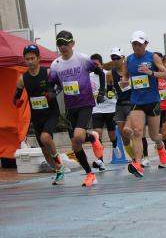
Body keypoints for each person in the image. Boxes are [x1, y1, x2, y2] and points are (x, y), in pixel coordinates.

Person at [49, 30, 105, 187]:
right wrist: (52, 92)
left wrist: (101, 91)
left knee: (78, 135)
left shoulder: (82, 59)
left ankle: (89, 137)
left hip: (85, 103)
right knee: (75, 143)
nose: (63, 46)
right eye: (59, 44)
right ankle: (90, 173)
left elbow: (100, 72)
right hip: (70, 107)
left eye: (66, 43)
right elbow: (53, 84)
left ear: (72, 44)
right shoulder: (56, 64)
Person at [120, 31, 166, 178]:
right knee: (137, 132)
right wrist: (124, 80)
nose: (136, 47)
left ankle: (161, 148)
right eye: (134, 44)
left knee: (154, 135)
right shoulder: (128, 60)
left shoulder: (152, 57)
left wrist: (151, 72)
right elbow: (125, 75)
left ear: (146, 44)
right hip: (137, 101)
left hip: (153, 101)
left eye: (139, 44)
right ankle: (137, 163)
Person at [13, 44, 64, 185]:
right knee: (44, 149)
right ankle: (58, 171)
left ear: (38, 58)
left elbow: (60, 86)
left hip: (51, 112)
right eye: (27, 59)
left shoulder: (47, 73)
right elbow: (15, 97)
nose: (30, 61)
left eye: (32, 58)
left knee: (45, 137)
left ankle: (59, 164)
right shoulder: (23, 79)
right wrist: (17, 102)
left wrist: (53, 94)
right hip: (37, 116)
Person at [90, 53, 118, 171]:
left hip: (110, 108)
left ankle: (115, 145)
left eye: (96, 64)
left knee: (112, 134)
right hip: (96, 109)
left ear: (101, 64)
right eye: (92, 65)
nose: (94, 66)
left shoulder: (108, 75)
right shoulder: (88, 76)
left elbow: (117, 89)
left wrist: (109, 93)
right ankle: (100, 160)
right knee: (97, 133)